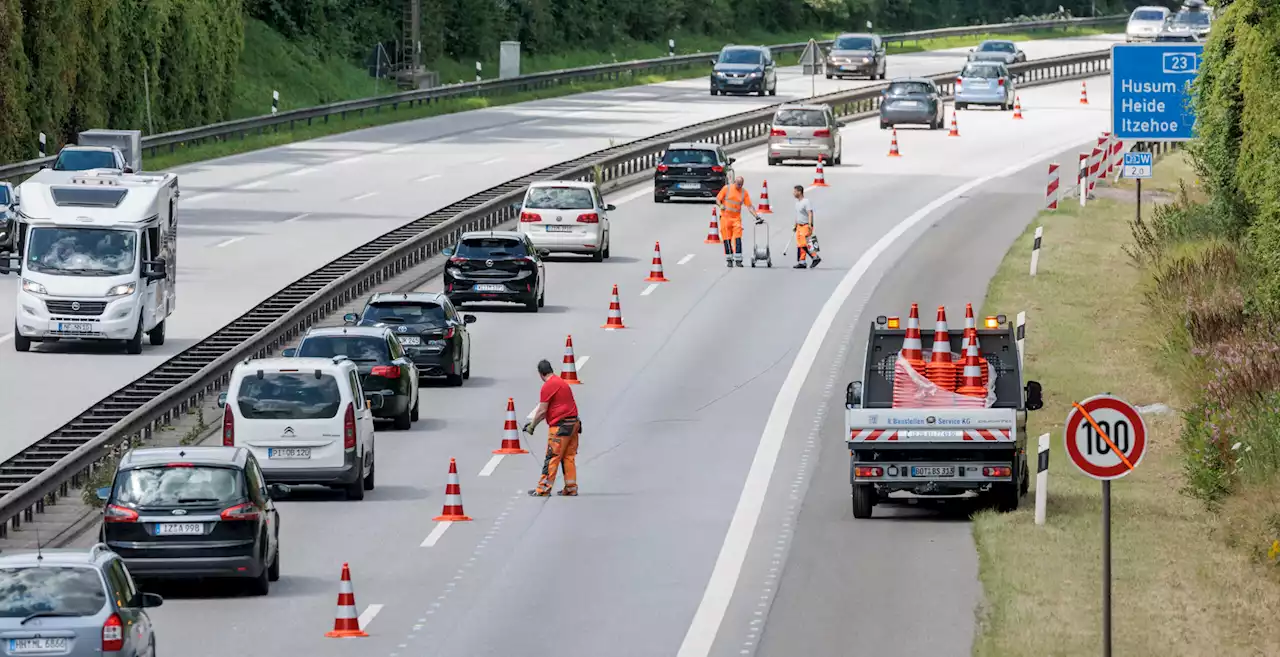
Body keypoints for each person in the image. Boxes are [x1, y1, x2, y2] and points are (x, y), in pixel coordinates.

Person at [524, 359, 581, 497]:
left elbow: (543, 410)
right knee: (568, 457)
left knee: (552, 457)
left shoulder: (548, 386)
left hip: (560, 427)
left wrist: (532, 426)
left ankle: (543, 489)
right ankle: (571, 487)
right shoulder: (561, 382)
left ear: (540, 374)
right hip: (573, 424)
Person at [715, 176, 762, 268]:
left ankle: (738, 260)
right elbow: (717, 199)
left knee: (738, 239)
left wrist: (756, 216)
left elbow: (749, 206)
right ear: (734, 182)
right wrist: (720, 205)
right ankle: (729, 259)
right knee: (727, 240)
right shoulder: (726, 189)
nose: (739, 186)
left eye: (741, 184)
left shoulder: (744, 192)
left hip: (736, 219)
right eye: (738, 184)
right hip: (725, 218)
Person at [791, 185, 821, 269]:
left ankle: (815, 257)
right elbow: (797, 215)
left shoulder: (806, 201)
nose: (793, 193)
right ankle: (802, 262)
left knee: (805, 243)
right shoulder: (797, 203)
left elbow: (810, 213)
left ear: (799, 192)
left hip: (805, 225)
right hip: (799, 226)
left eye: (795, 191)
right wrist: (795, 225)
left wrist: (810, 225)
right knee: (800, 244)